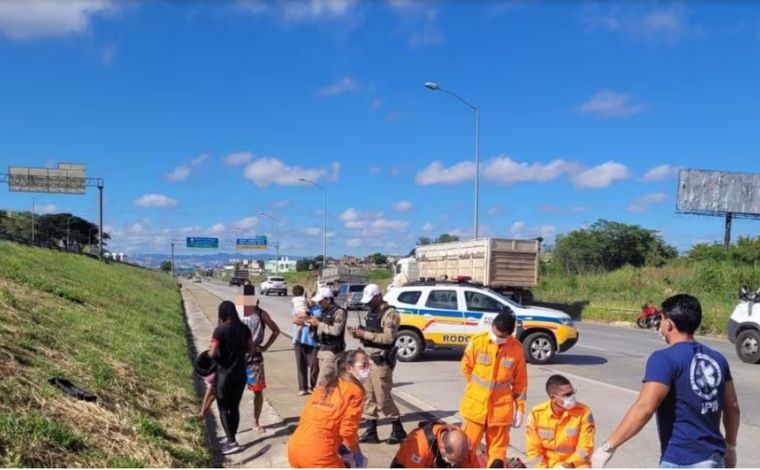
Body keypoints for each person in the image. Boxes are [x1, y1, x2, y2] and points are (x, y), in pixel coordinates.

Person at [592, 294, 740, 468]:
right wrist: (730, 447)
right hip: (714, 458)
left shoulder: (663, 359)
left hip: (681, 460)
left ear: (669, 324)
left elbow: (645, 409)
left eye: (661, 320)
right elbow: (732, 407)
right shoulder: (718, 358)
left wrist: (607, 448)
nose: (660, 325)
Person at [460, 307, 528, 468]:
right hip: (475, 408)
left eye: (501, 336)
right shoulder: (478, 341)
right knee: (464, 451)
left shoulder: (516, 349)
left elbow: (521, 382)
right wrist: (477, 389)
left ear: (510, 334)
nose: (497, 338)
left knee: (497, 455)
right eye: (495, 333)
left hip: (500, 412)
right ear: (492, 327)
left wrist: (520, 409)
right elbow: (466, 367)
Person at [288, 349, 369, 468]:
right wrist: (357, 454)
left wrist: (338, 445)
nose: (368, 370)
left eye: (369, 365)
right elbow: (348, 432)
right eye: (364, 365)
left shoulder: (324, 388)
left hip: (295, 448)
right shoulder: (355, 392)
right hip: (319, 454)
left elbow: (310, 418)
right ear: (348, 368)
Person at [349, 283, 407, 444]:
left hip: (381, 361)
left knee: (383, 397)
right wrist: (358, 334)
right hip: (368, 360)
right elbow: (371, 335)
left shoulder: (390, 314)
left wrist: (365, 334)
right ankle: (371, 431)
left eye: (370, 300)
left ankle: (398, 430)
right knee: (369, 396)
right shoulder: (371, 312)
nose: (367, 303)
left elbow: (388, 338)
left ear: (378, 296)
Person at [210, 300, 257, 455]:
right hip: (241, 374)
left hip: (224, 374)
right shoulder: (244, 329)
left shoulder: (219, 331)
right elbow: (251, 349)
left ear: (222, 313)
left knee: (223, 408)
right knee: (234, 407)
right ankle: (232, 439)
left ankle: (231, 442)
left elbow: (212, 352)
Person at [236, 283, 281, 433]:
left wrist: (265, 347)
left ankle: (255, 420)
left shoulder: (261, 314)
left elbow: (276, 330)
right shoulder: (237, 312)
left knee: (257, 390)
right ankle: (233, 421)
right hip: (237, 356)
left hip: (254, 357)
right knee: (235, 389)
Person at [524, 375, 595, 468]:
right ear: (553, 397)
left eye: (572, 393)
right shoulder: (536, 414)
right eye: (567, 395)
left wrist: (568, 465)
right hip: (546, 464)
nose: (572, 397)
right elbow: (533, 451)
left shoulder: (584, 412)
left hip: (575, 464)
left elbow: (585, 448)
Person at [391, 421, 480, 468]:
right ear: (442, 447)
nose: (455, 463)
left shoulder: (461, 441)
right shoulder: (420, 446)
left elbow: (471, 465)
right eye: (452, 460)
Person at [305, 287, 347, 386]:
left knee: (322, 383)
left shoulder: (339, 312)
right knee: (329, 383)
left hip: (332, 352)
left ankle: (320, 400)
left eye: (321, 301)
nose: (319, 304)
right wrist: (311, 323)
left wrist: (318, 324)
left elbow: (336, 331)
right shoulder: (324, 311)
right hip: (322, 350)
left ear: (328, 299)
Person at [291, 285, 320, 395]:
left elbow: (315, 321)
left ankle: (314, 386)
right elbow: (295, 319)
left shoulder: (318, 309)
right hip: (299, 340)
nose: (311, 300)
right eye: (309, 297)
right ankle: (302, 387)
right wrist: (307, 320)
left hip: (313, 342)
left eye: (313, 297)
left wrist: (305, 320)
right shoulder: (299, 306)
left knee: (314, 365)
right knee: (300, 364)